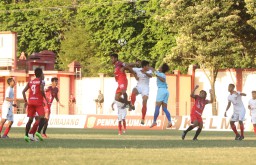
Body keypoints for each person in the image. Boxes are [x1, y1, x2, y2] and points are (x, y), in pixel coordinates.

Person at [22, 67, 48, 142]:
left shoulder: (30, 82)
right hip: (38, 102)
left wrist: (25, 101)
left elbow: (23, 91)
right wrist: (45, 98)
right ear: (41, 74)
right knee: (43, 118)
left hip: (30, 102)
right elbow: (41, 90)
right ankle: (38, 132)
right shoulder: (41, 81)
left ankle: (26, 135)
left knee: (30, 120)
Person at [129, 60, 153, 125]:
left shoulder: (149, 71)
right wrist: (135, 75)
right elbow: (128, 67)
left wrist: (145, 73)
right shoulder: (138, 69)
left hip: (145, 88)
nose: (149, 67)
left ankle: (143, 118)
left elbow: (151, 76)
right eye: (148, 66)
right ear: (144, 66)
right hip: (139, 86)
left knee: (144, 101)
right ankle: (132, 105)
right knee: (134, 91)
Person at [149, 64, 172, 128]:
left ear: (162, 69)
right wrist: (148, 67)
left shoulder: (161, 74)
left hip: (161, 91)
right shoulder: (159, 73)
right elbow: (152, 69)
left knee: (157, 107)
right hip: (166, 91)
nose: (159, 67)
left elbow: (163, 80)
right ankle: (170, 121)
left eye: (160, 67)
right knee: (164, 109)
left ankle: (154, 121)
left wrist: (156, 75)